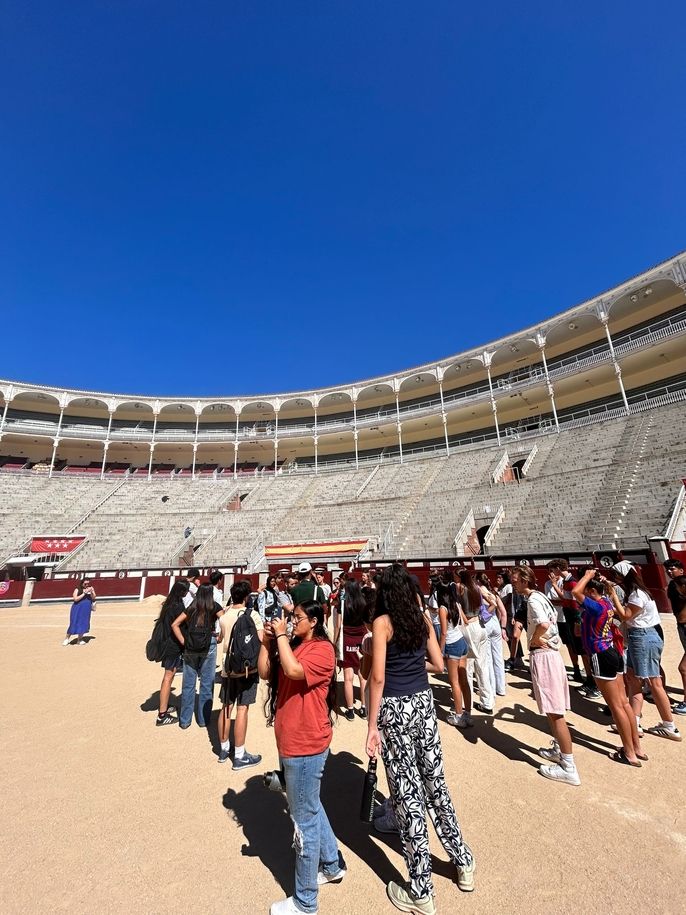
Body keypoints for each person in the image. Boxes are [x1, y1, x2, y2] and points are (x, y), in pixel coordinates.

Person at [366, 564, 475, 914]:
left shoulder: (383, 623)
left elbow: (378, 679)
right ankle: (462, 862)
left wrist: (371, 727)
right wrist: (413, 666)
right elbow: (439, 664)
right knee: (435, 784)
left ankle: (421, 889)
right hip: (424, 705)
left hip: (396, 707)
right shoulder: (421, 617)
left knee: (407, 794)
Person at [258, 600, 345, 915]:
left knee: (303, 821)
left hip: (305, 744)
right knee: (312, 805)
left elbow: (294, 670)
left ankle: (306, 901)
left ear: (315, 621)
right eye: (291, 618)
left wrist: (281, 636)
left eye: (296, 618)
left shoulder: (322, 650)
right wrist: (268, 641)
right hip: (292, 740)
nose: (292, 623)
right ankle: (332, 864)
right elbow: (267, 671)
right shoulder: (292, 644)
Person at [511, 566, 581, 786]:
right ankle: (560, 750)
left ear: (524, 580)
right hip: (550, 653)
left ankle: (569, 767)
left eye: (515, 580)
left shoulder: (532, 601)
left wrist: (533, 640)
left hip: (543, 655)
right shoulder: (540, 595)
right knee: (553, 710)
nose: (513, 584)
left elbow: (543, 624)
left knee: (554, 710)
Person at [571, 570, 645, 766]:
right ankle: (636, 747)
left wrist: (586, 576)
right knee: (624, 703)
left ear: (592, 591)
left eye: (588, 591)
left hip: (600, 653)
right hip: (612, 651)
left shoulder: (596, 606)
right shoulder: (607, 603)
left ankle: (629, 752)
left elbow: (576, 593)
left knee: (616, 706)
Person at [613, 561, 682, 742]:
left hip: (642, 636)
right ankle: (634, 721)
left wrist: (612, 595)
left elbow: (626, 616)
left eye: (617, 576)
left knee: (654, 682)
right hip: (642, 635)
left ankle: (669, 725)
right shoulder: (639, 592)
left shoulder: (637, 595)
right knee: (634, 679)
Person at [217, 579, 264, 767]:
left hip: (227, 668)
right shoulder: (253, 615)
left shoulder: (224, 616)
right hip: (246, 669)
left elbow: (220, 638)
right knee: (242, 709)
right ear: (246, 597)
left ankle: (223, 749)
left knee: (226, 707)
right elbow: (261, 639)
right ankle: (239, 754)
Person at [171, 583, 222, 729]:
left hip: (191, 645)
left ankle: (185, 720)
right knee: (206, 682)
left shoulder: (192, 606)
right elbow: (224, 621)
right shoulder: (214, 606)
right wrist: (220, 637)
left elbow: (175, 624)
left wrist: (184, 641)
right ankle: (203, 719)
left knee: (188, 684)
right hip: (209, 644)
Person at [456, 568, 496, 715]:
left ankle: (469, 703)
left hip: (468, 627)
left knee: (467, 667)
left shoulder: (460, 588)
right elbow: (493, 601)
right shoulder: (476, 588)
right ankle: (487, 702)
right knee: (483, 666)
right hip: (480, 625)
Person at [438, 575, 471, 729]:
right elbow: (465, 621)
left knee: (454, 682)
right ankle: (468, 713)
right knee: (463, 679)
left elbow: (444, 632)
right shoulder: (456, 603)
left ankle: (458, 715)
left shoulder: (443, 608)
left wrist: (439, 650)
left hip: (452, 644)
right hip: (461, 641)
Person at [155, 579, 190, 725]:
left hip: (168, 644)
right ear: (182, 592)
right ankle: (162, 715)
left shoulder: (169, 603)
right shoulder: (177, 605)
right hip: (173, 646)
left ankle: (165, 706)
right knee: (168, 677)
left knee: (169, 676)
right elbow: (178, 626)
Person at [334, 578, 369, 720]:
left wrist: (335, 641)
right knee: (362, 675)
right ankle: (364, 708)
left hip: (347, 637)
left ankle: (350, 710)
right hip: (360, 637)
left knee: (347, 677)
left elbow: (337, 625)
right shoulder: (363, 602)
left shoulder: (343, 603)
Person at [475, 572, 507, 699]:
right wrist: (502, 627)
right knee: (498, 657)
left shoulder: (480, 590)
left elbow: (491, 605)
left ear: (478, 581)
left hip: (486, 623)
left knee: (487, 658)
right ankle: (501, 688)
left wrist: (483, 616)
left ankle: (491, 689)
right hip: (495, 624)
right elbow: (503, 612)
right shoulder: (494, 592)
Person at [664, 559, 686, 715]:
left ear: (681, 570)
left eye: (672, 569)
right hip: (682, 626)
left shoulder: (681, 584)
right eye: (668, 570)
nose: (669, 572)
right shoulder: (674, 586)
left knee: (684, 668)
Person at [62, 578, 97, 645]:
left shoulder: (90, 589)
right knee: (74, 622)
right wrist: (84, 593)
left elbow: (94, 598)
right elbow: (75, 599)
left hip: (86, 609)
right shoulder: (77, 589)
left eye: (88, 584)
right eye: (85, 584)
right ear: (82, 583)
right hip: (77, 609)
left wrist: (93, 592)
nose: (87, 585)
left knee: (84, 623)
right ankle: (66, 639)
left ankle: (79, 639)